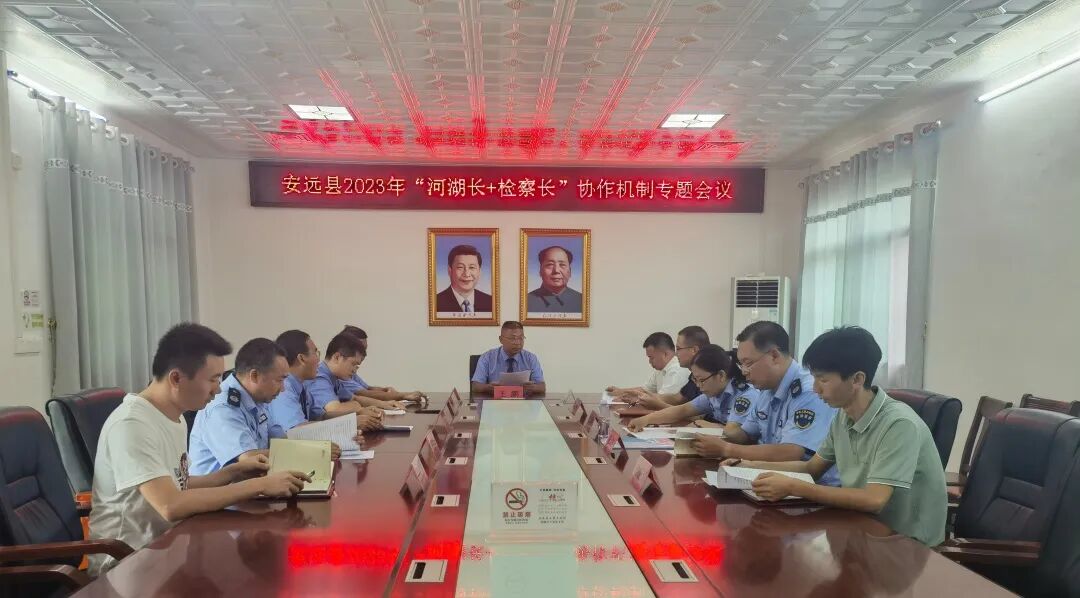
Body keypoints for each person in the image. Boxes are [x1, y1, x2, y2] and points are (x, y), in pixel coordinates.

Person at [88, 324, 308, 575]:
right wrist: (258, 485)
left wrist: (234, 471)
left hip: (170, 548)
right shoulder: (132, 424)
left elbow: (179, 484)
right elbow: (170, 504)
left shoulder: (174, 417)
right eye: (213, 379)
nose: (219, 388)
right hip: (127, 564)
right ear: (176, 379)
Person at [723, 327, 947, 546]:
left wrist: (793, 487)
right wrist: (748, 465)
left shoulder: (898, 424)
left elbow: (874, 499)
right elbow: (812, 468)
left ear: (857, 379)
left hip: (904, 544)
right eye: (814, 379)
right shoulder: (843, 415)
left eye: (823, 380)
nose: (815, 389)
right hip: (859, 528)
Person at [692, 321, 840, 487]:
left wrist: (726, 449)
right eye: (741, 364)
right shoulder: (766, 389)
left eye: (748, 363)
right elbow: (745, 434)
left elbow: (791, 452)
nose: (743, 371)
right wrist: (707, 436)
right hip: (770, 478)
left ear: (774, 356)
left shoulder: (809, 391)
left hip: (811, 488)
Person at [188, 338, 291, 475]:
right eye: (279, 380)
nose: (283, 389)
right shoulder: (223, 408)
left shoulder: (258, 397)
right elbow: (249, 461)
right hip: (221, 487)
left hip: (250, 483)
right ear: (254, 376)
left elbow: (279, 439)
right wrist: (300, 452)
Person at [266, 329, 373, 455]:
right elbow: (296, 431)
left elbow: (321, 416)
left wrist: (350, 423)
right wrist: (346, 429)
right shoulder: (285, 389)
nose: (319, 359)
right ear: (301, 358)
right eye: (315, 353)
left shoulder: (301, 385)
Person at [626, 344, 761, 431]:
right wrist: (646, 420)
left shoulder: (745, 395)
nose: (698, 385)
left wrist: (713, 426)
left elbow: (736, 433)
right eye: (695, 380)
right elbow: (682, 410)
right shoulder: (713, 394)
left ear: (720, 375)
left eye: (702, 380)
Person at [625, 325, 711, 411]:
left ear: (694, 350)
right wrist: (640, 397)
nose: (676, 354)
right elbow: (678, 398)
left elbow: (696, 415)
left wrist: (657, 405)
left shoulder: (709, 376)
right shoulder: (694, 375)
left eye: (678, 349)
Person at [338, 325, 425, 406]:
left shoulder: (349, 371)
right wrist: (403, 395)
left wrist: (385, 390)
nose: (365, 354)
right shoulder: (339, 375)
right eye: (362, 350)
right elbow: (365, 394)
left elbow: (367, 389)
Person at [471, 321, 546, 396]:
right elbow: (475, 386)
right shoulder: (487, 357)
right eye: (513, 339)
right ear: (501, 339)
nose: (517, 343)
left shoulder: (530, 358)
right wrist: (488, 388)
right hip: (495, 400)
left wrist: (532, 388)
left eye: (521, 338)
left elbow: (542, 387)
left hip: (523, 400)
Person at [606, 332, 690, 398]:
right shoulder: (661, 369)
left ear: (665, 354)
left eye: (651, 357)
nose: (649, 362)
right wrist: (620, 391)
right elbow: (645, 390)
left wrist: (629, 396)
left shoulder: (677, 370)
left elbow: (661, 399)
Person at [435, 244, 493, 313]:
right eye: (460, 267)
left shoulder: (490, 302)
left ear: (479, 271)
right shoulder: (436, 302)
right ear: (449, 270)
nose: (466, 274)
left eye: (472, 267)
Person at [526, 245, 582, 313]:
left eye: (562, 265)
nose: (556, 270)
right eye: (550, 265)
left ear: (570, 271)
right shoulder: (526, 302)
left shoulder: (582, 301)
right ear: (540, 271)